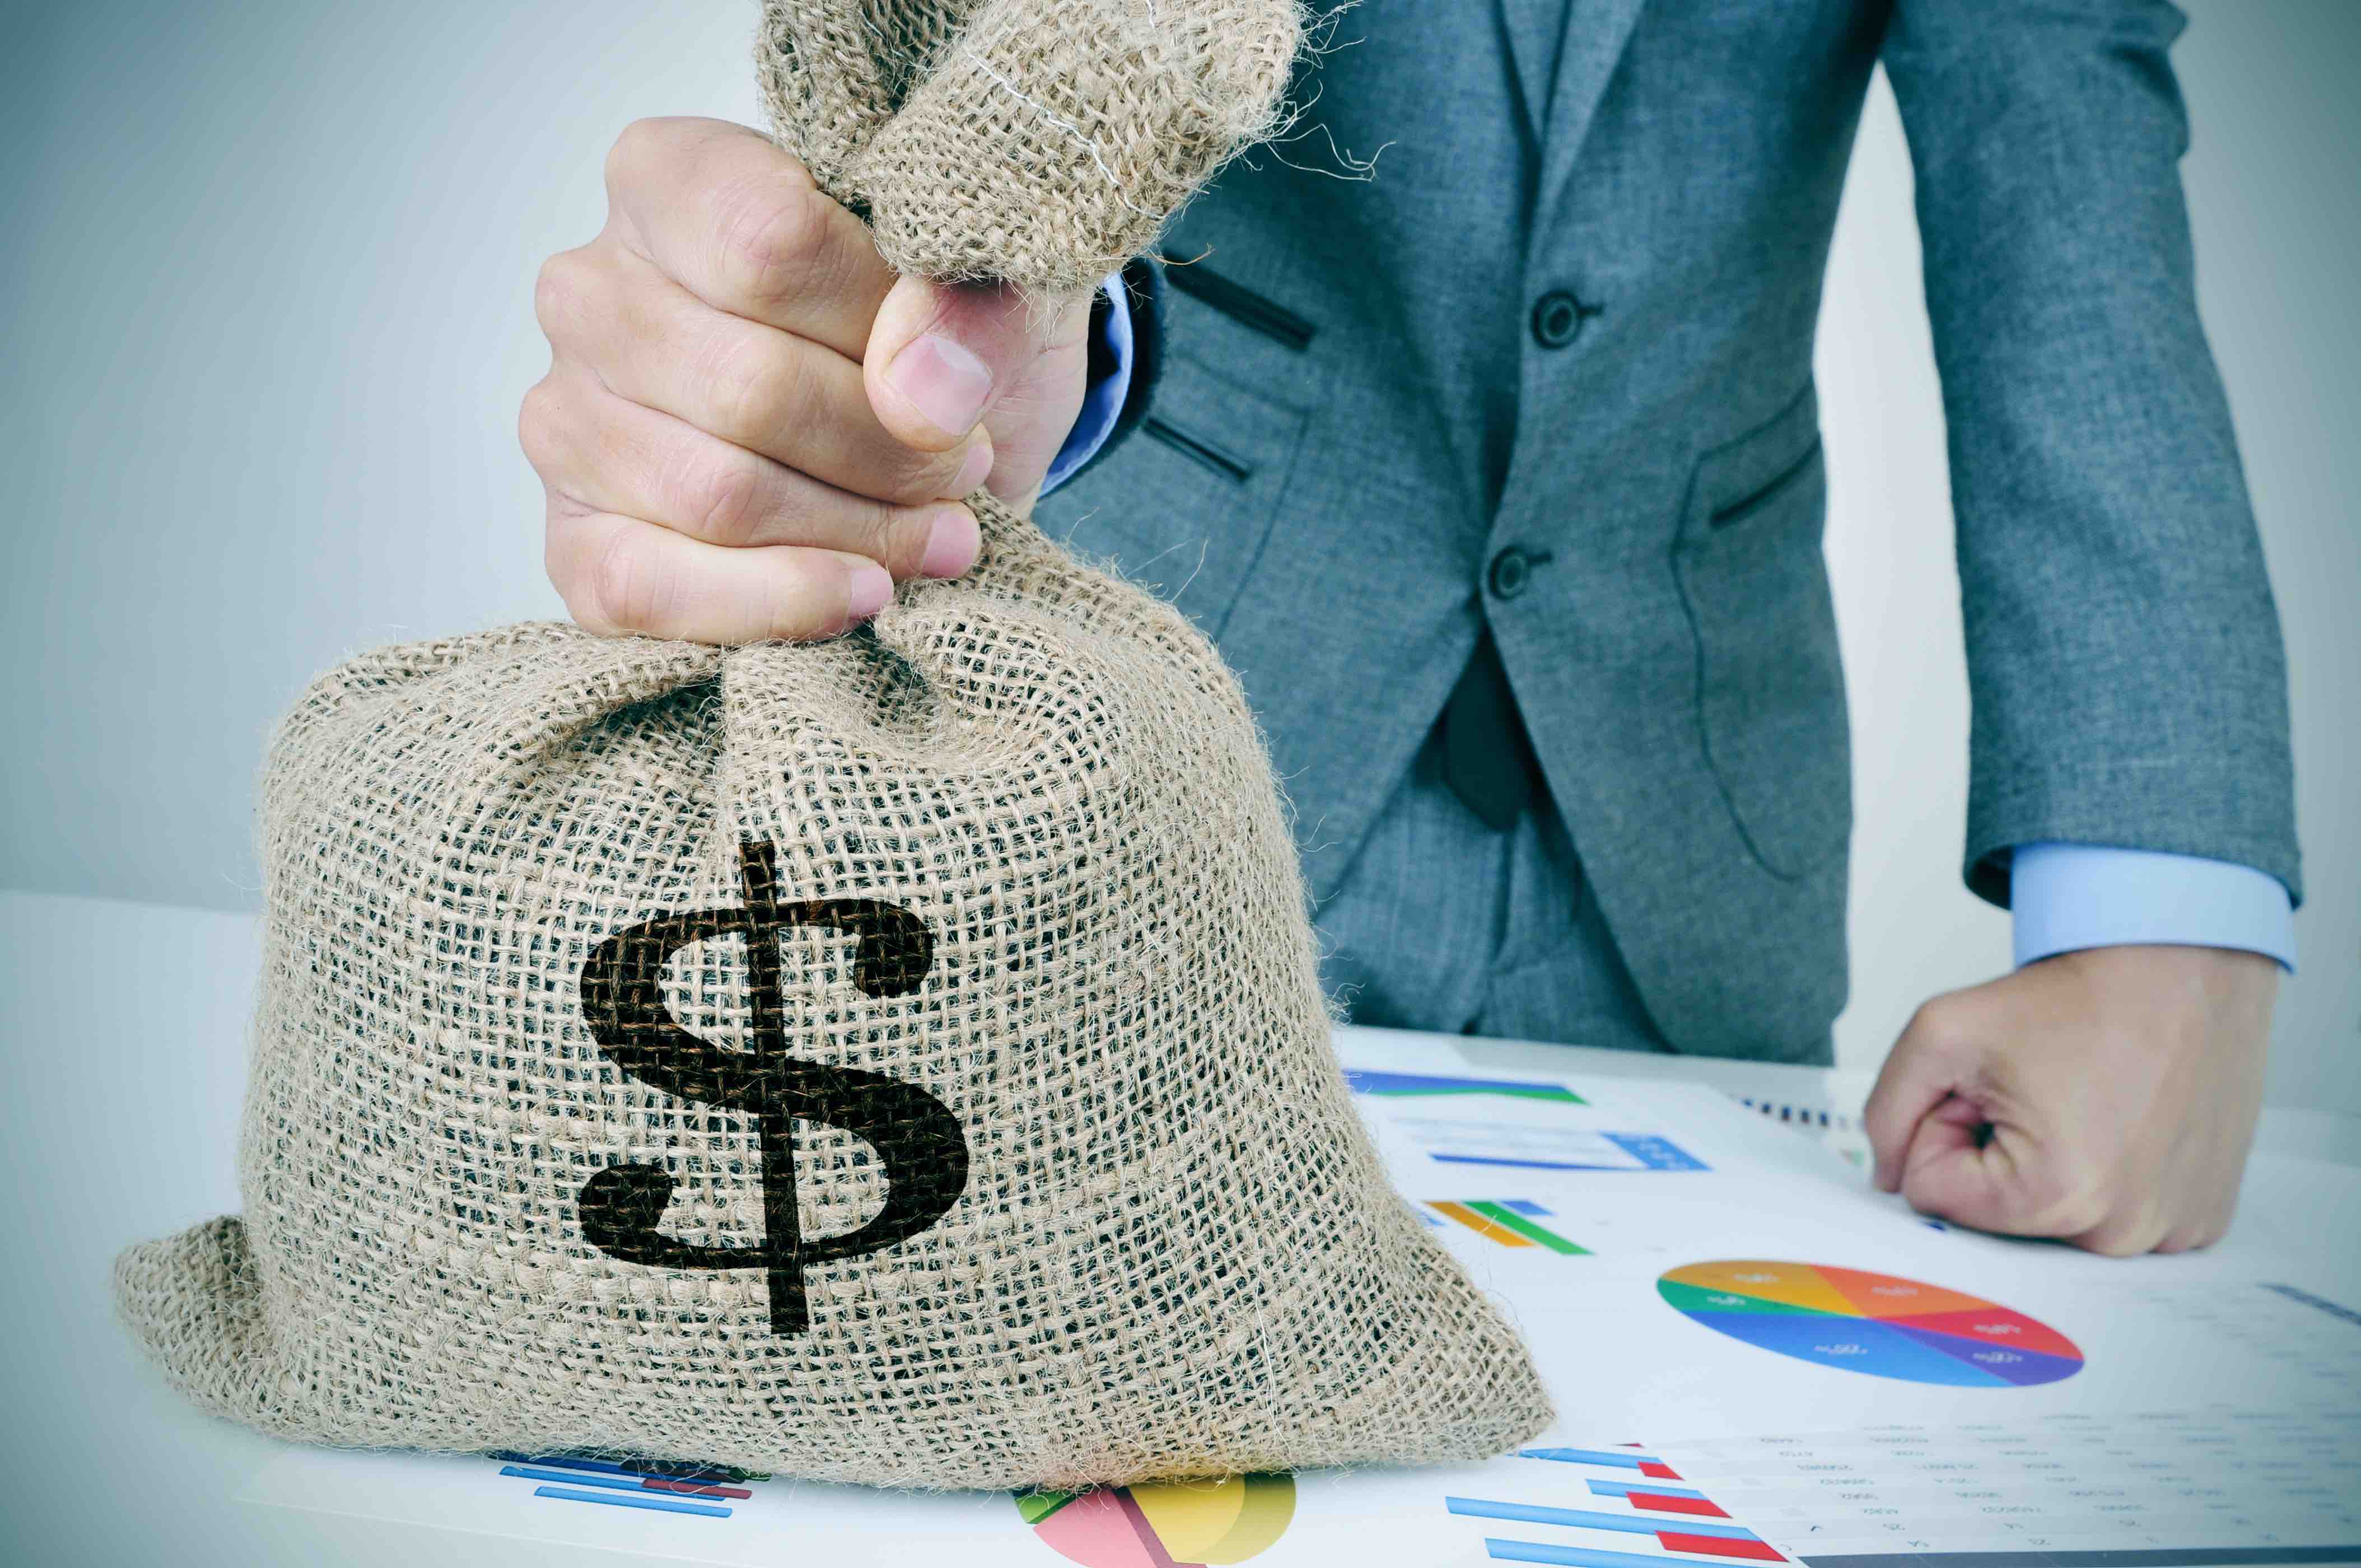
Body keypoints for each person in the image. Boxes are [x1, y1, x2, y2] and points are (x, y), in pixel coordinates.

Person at [517, 3, 2298, 1258]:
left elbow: (2061, 148)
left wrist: (2158, 907)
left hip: (1683, 845)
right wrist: (999, 305)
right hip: (1166, 731)